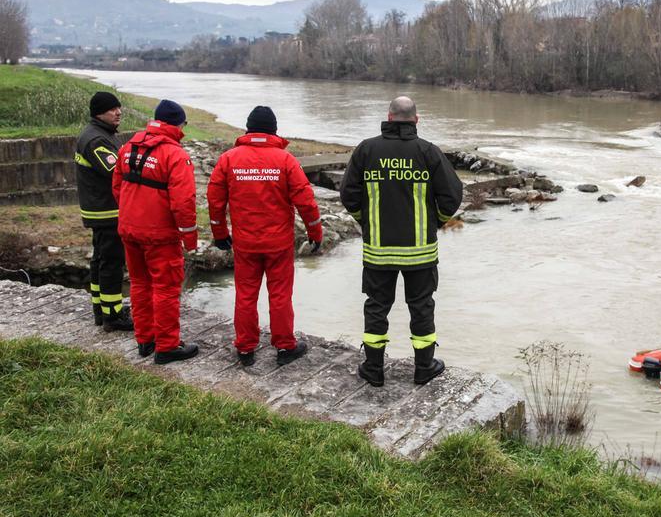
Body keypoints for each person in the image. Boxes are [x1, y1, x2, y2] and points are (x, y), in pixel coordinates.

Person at [340, 96, 463, 387]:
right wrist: (436, 222)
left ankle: (373, 369)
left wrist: (365, 221)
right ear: (416, 120)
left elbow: (348, 195)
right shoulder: (428, 152)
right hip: (420, 252)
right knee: (421, 307)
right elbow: (452, 195)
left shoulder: (367, 150)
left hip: (378, 251)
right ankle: (424, 368)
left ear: (389, 117)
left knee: (376, 306)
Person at [207, 106, 324, 367]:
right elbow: (306, 202)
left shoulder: (228, 159)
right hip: (278, 244)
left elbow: (215, 201)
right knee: (280, 295)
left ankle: (245, 348)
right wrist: (315, 233)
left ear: (248, 129)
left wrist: (220, 233)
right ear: (274, 131)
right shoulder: (286, 160)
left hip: (245, 243)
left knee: (245, 295)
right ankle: (285, 346)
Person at [112, 99, 199, 364]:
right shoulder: (175, 155)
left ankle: (145, 340)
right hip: (160, 235)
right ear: (178, 124)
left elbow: (117, 187)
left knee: (139, 284)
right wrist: (190, 238)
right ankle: (167, 346)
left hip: (129, 230)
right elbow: (184, 202)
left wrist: (133, 215)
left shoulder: (128, 147)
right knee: (166, 289)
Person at [75, 91, 133, 331]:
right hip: (107, 212)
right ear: (99, 113)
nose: (118, 112)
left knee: (100, 260)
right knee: (111, 263)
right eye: (112, 109)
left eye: (119, 108)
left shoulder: (100, 134)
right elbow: (116, 172)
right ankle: (113, 316)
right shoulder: (96, 140)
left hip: (100, 209)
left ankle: (102, 309)